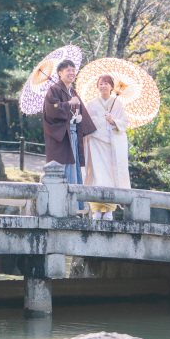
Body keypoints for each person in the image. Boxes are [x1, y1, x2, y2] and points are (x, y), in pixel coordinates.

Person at [43, 60, 96, 193]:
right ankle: (59, 202)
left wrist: (80, 119)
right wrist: (68, 104)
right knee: (62, 167)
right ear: (60, 73)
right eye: (68, 70)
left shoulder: (72, 91)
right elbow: (51, 111)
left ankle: (73, 206)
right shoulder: (53, 90)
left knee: (74, 166)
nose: (72, 73)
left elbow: (82, 112)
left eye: (73, 70)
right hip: (61, 136)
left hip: (73, 134)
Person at [84, 74, 130, 220]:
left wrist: (113, 121)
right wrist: (99, 121)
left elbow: (124, 123)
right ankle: (96, 210)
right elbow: (86, 124)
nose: (103, 86)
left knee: (111, 177)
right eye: (100, 84)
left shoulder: (117, 104)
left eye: (106, 83)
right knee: (97, 176)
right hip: (96, 143)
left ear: (112, 86)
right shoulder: (91, 104)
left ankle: (109, 210)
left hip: (111, 146)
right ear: (97, 86)